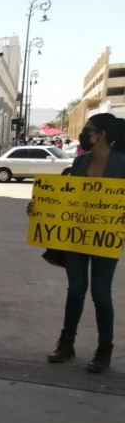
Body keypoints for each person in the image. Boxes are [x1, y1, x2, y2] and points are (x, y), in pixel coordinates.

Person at [37, 113, 125, 373]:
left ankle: (104, 349)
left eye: (88, 130)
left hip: (105, 238)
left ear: (103, 134)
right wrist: (41, 208)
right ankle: (66, 343)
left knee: (101, 293)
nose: (84, 134)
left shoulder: (121, 164)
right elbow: (65, 197)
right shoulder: (80, 162)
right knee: (75, 290)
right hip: (75, 235)